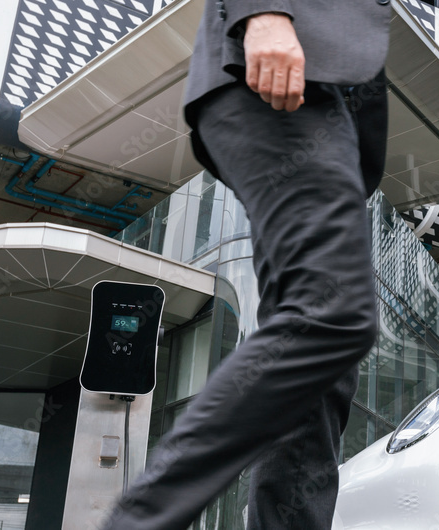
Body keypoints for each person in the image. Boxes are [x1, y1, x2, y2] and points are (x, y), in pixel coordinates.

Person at [101, 0, 391, 528]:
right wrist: (264, 14)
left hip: (328, 111)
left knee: (316, 384)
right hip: (277, 78)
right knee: (333, 314)